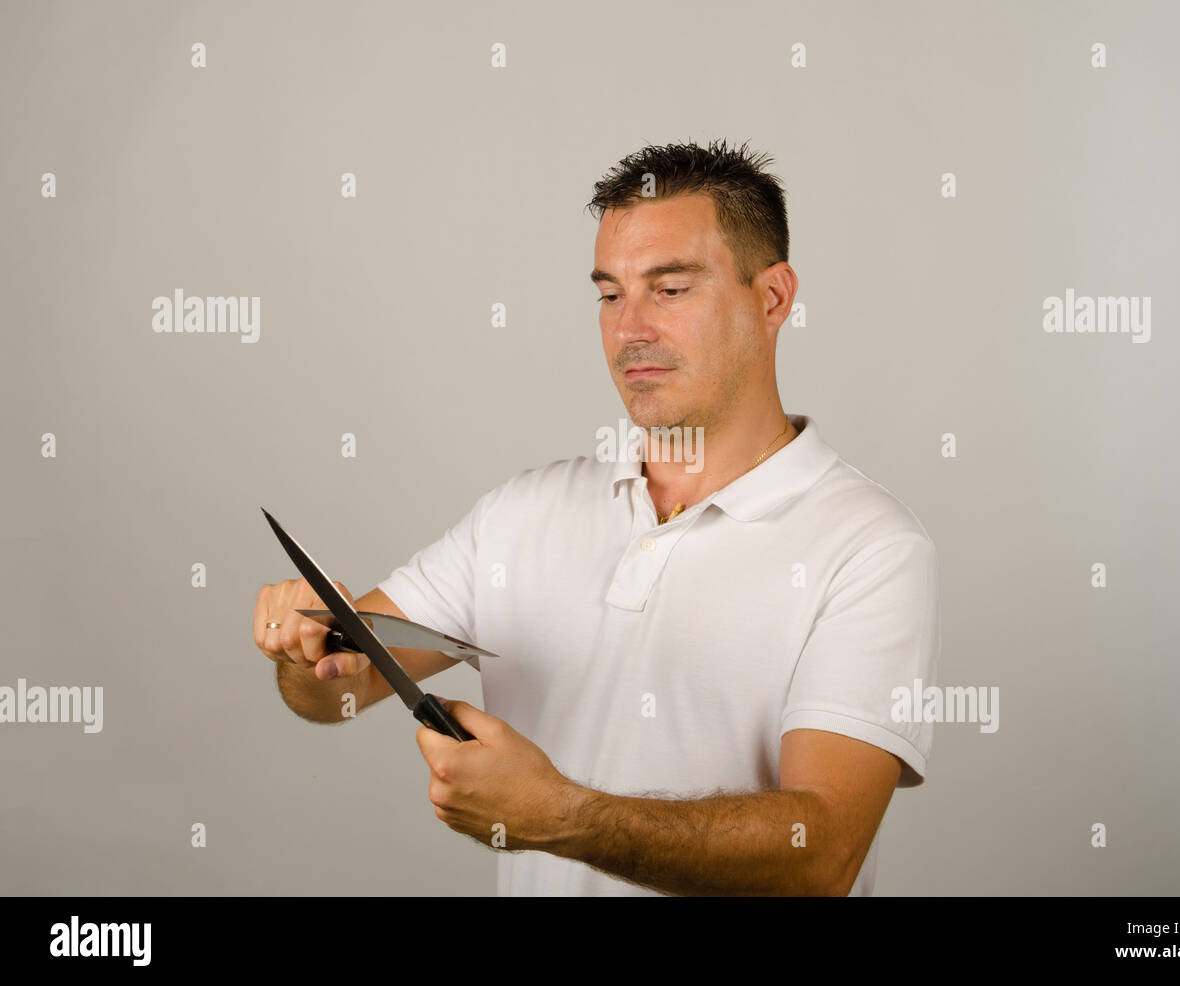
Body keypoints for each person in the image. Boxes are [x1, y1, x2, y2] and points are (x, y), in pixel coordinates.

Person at [253, 139, 941, 896]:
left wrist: (558, 814)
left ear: (772, 298)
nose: (629, 329)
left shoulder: (868, 548)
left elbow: (823, 854)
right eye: (610, 294)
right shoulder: (522, 513)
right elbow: (335, 692)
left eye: (670, 290)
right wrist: (304, 648)